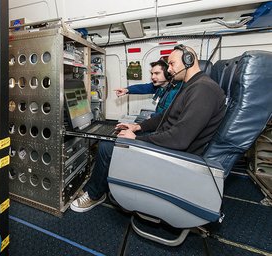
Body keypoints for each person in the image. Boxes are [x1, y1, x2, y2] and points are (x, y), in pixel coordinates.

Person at [70, 45, 226, 213]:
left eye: (172, 64)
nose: (170, 70)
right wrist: (138, 126)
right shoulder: (190, 86)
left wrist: (136, 139)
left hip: (176, 156)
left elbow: (179, 139)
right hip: (168, 142)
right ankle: (103, 183)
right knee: (118, 137)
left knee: (106, 147)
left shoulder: (203, 89)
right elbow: (165, 116)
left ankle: (94, 195)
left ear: (188, 60)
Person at [114, 60, 182, 117]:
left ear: (168, 74)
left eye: (156, 73)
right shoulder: (160, 87)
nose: (152, 77)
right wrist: (126, 90)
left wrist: (151, 118)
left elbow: (165, 115)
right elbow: (144, 88)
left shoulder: (174, 91)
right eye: (152, 74)